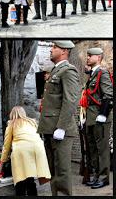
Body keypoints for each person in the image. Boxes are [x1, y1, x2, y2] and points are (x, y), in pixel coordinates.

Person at [37, 40, 82, 196]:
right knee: (53, 170)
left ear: (64, 51)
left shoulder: (68, 71)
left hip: (59, 129)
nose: (51, 50)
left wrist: (61, 127)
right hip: (51, 128)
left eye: (54, 47)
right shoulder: (56, 71)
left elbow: (71, 100)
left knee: (61, 171)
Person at [0, 106, 51, 196]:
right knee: (30, 178)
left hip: (22, 150)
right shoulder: (32, 122)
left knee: (20, 179)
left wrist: (1, 163)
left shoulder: (12, 124)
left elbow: (6, 146)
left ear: (12, 114)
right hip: (38, 149)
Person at [79, 47, 113, 189]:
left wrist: (103, 114)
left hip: (100, 117)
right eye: (87, 55)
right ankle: (96, 176)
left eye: (90, 55)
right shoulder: (93, 74)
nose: (87, 57)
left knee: (102, 149)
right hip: (91, 117)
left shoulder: (102, 72)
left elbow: (109, 95)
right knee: (92, 149)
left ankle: (104, 178)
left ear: (98, 57)